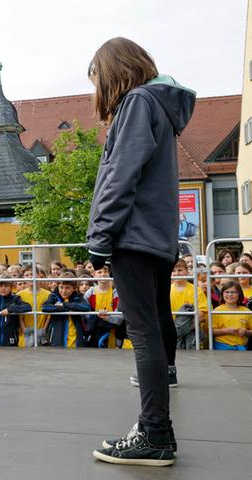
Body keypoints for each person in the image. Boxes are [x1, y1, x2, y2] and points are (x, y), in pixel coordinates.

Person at [87, 37, 193, 466]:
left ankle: (155, 435)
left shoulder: (136, 104)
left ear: (112, 72)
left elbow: (120, 176)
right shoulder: (161, 109)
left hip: (134, 237)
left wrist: (100, 236)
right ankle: (155, 430)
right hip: (157, 237)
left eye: (96, 78)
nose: (96, 88)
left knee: (143, 335)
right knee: (151, 330)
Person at [42, 272, 91, 348]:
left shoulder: (78, 296)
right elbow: (45, 307)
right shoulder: (54, 295)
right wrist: (62, 308)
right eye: (61, 287)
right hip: (58, 337)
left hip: (76, 337)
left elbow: (86, 307)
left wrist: (65, 304)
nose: (64, 291)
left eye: (67, 288)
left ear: (74, 288)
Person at [211, 281, 251, 351]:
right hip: (222, 346)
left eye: (233, 292)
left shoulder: (247, 311)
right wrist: (228, 331)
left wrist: (246, 332)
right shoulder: (217, 310)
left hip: (242, 347)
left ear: (239, 294)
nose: (230, 295)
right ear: (222, 294)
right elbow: (212, 331)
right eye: (227, 292)